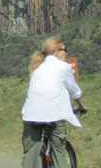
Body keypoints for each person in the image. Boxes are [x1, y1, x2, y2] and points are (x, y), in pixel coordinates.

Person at [21, 37, 88, 167]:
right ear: (57, 51)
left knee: (29, 153)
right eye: (65, 49)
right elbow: (75, 93)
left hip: (30, 116)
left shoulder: (36, 69)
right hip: (54, 116)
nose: (66, 53)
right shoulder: (63, 67)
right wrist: (81, 106)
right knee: (58, 151)